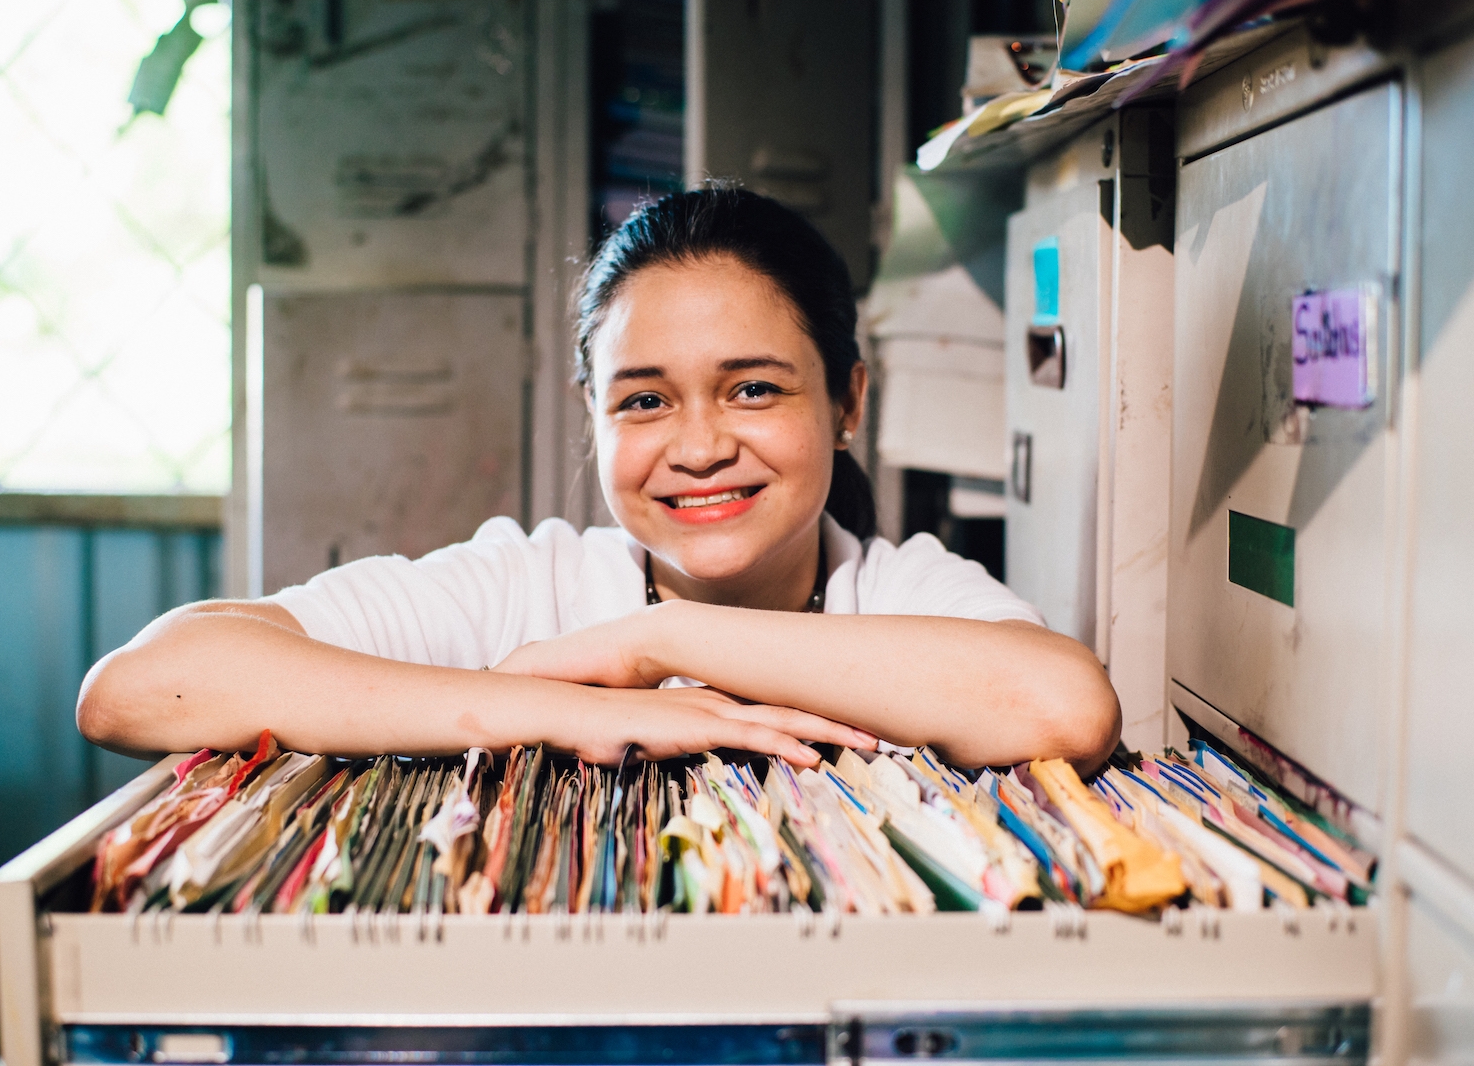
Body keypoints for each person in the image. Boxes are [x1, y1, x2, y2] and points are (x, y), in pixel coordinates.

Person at [78, 187, 1120, 776]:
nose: (699, 445)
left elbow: (1064, 708)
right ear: (592, 412)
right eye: (643, 400)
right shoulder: (521, 588)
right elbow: (139, 685)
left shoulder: (896, 593)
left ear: (846, 402)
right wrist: (523, 705)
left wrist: (652, 642)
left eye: (752, 389)